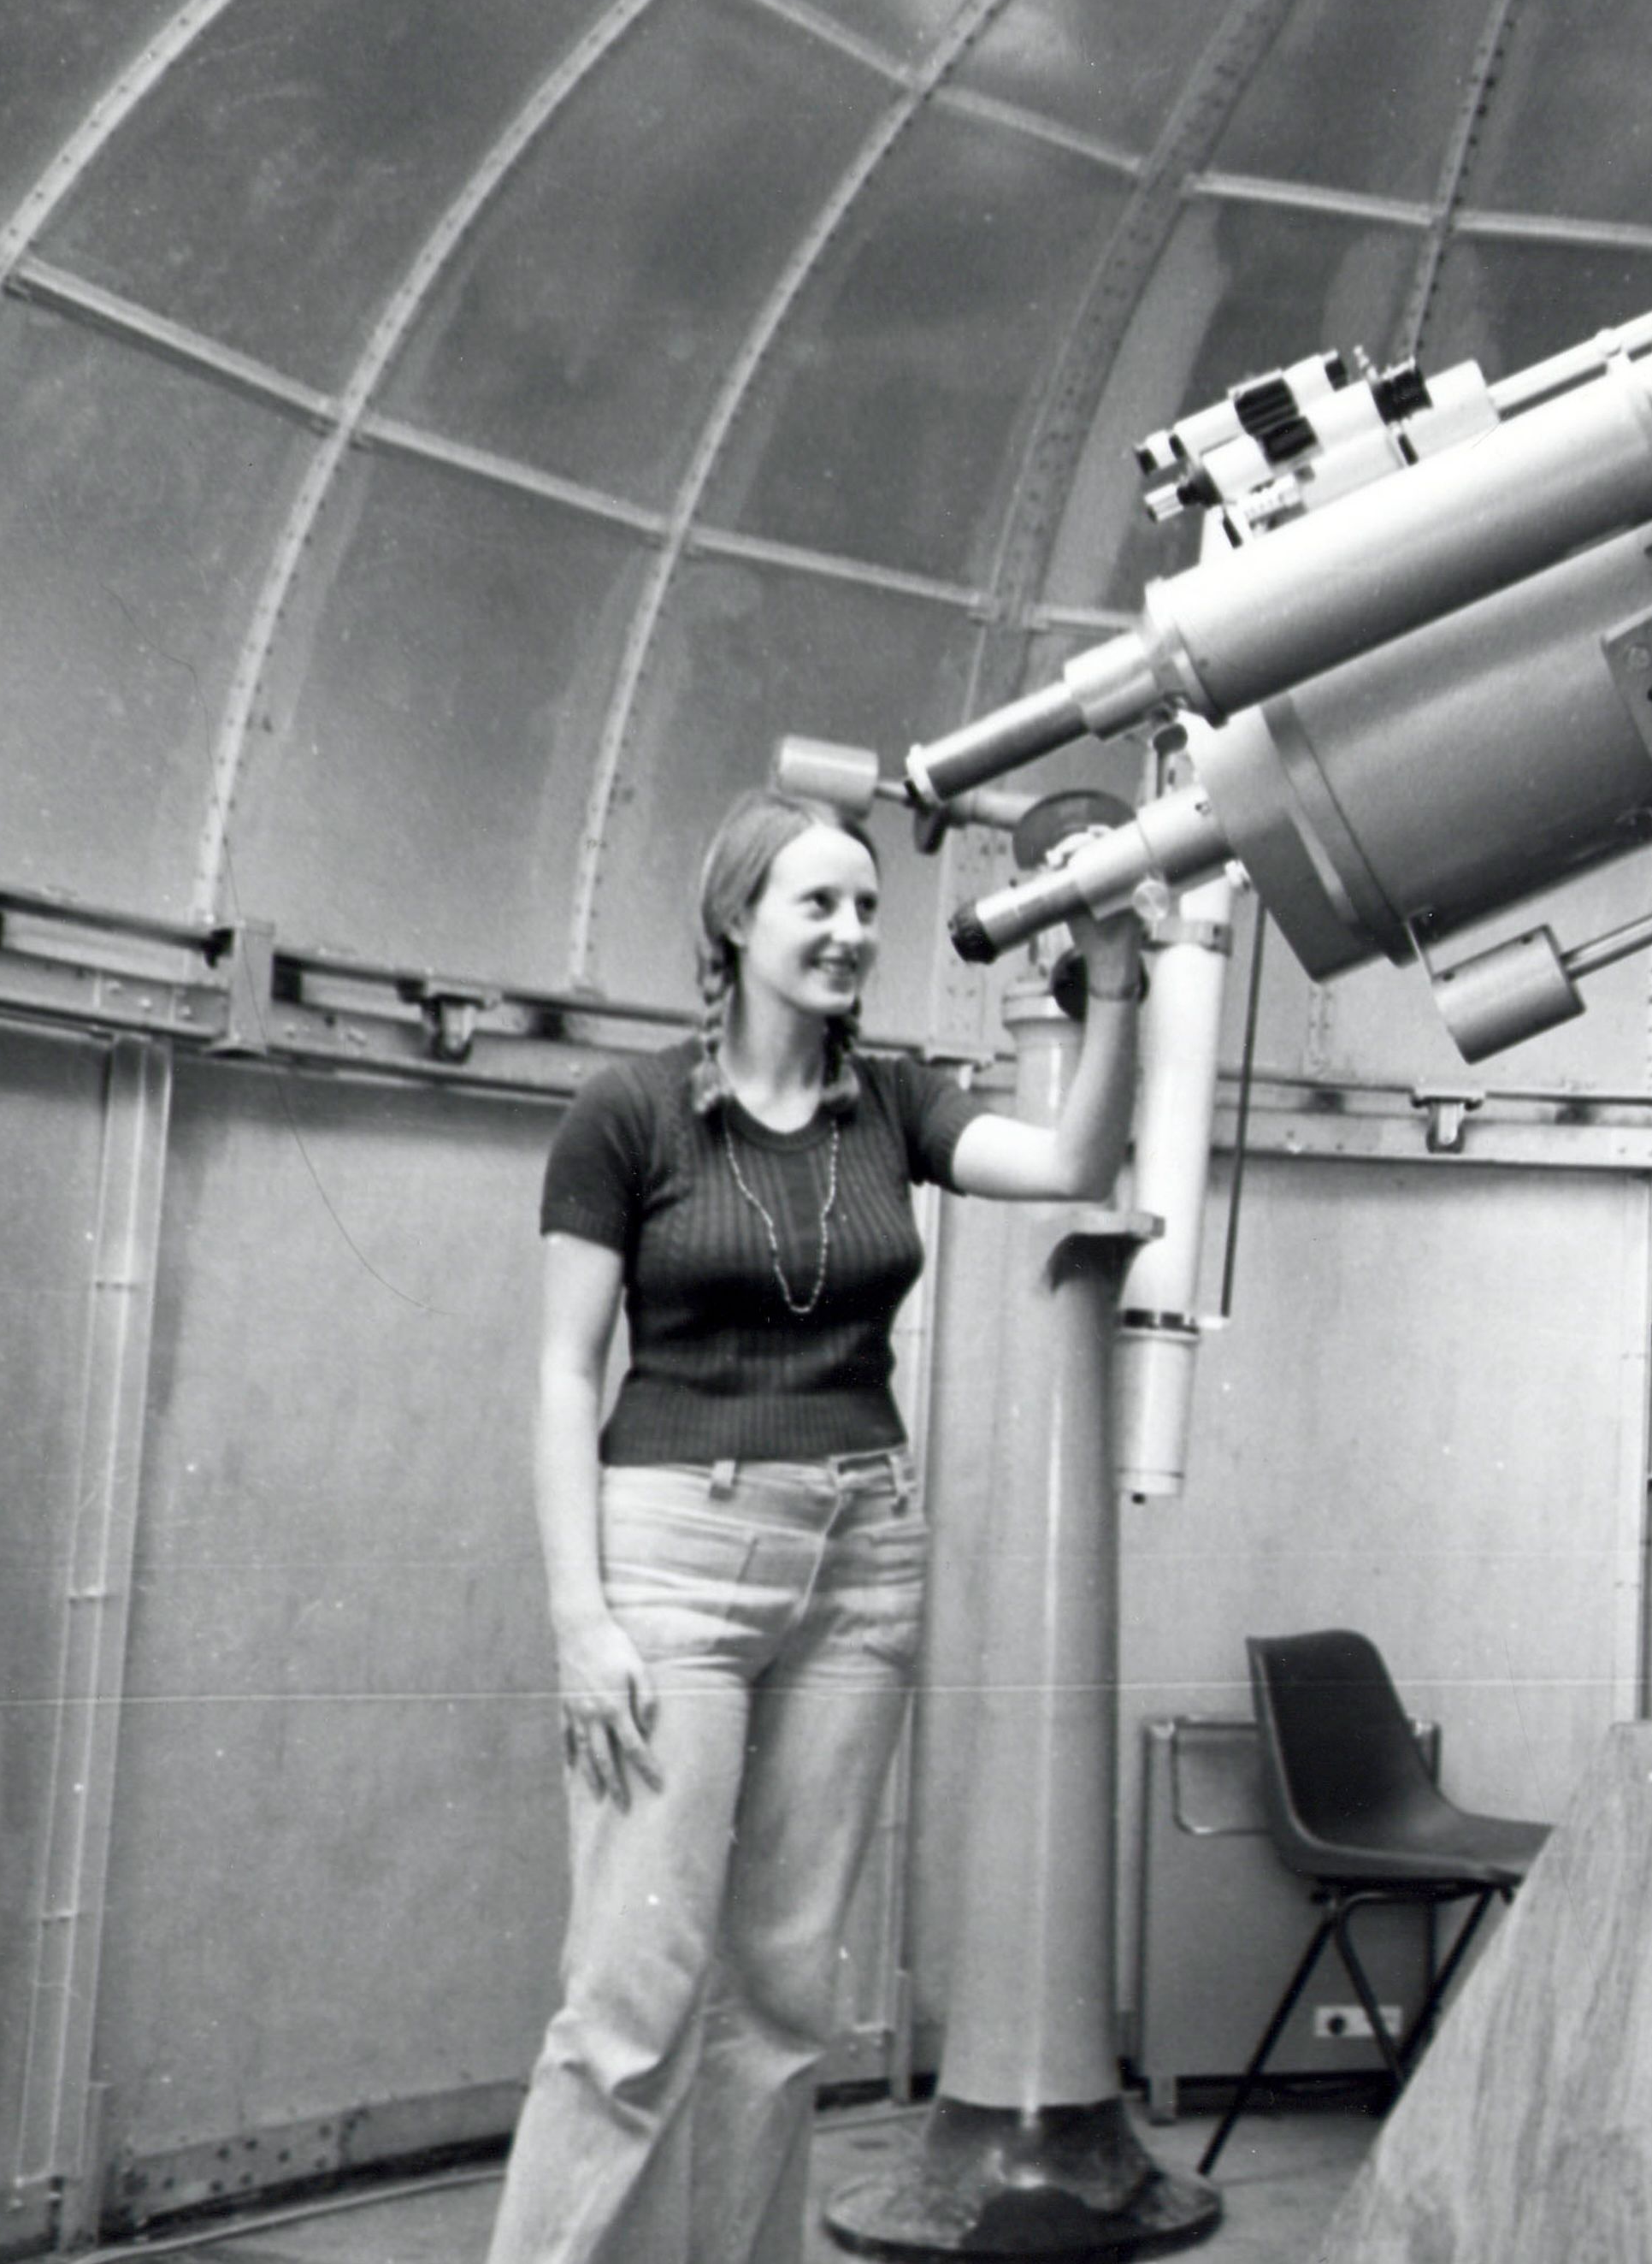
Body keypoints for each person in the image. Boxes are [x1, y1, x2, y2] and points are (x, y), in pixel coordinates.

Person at [487, 788, 1139, 2263]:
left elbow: (1072, 1166)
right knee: (629, 2005)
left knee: (782, 2002)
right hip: (671, 1556)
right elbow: (559, 1372)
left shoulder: (894, 1101)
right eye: (821, 906)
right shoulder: (627, 1114)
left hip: (862, 1555)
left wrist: (1113, 979)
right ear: (736, 921)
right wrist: (579, 1619)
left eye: (868, 912)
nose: (854, 934)